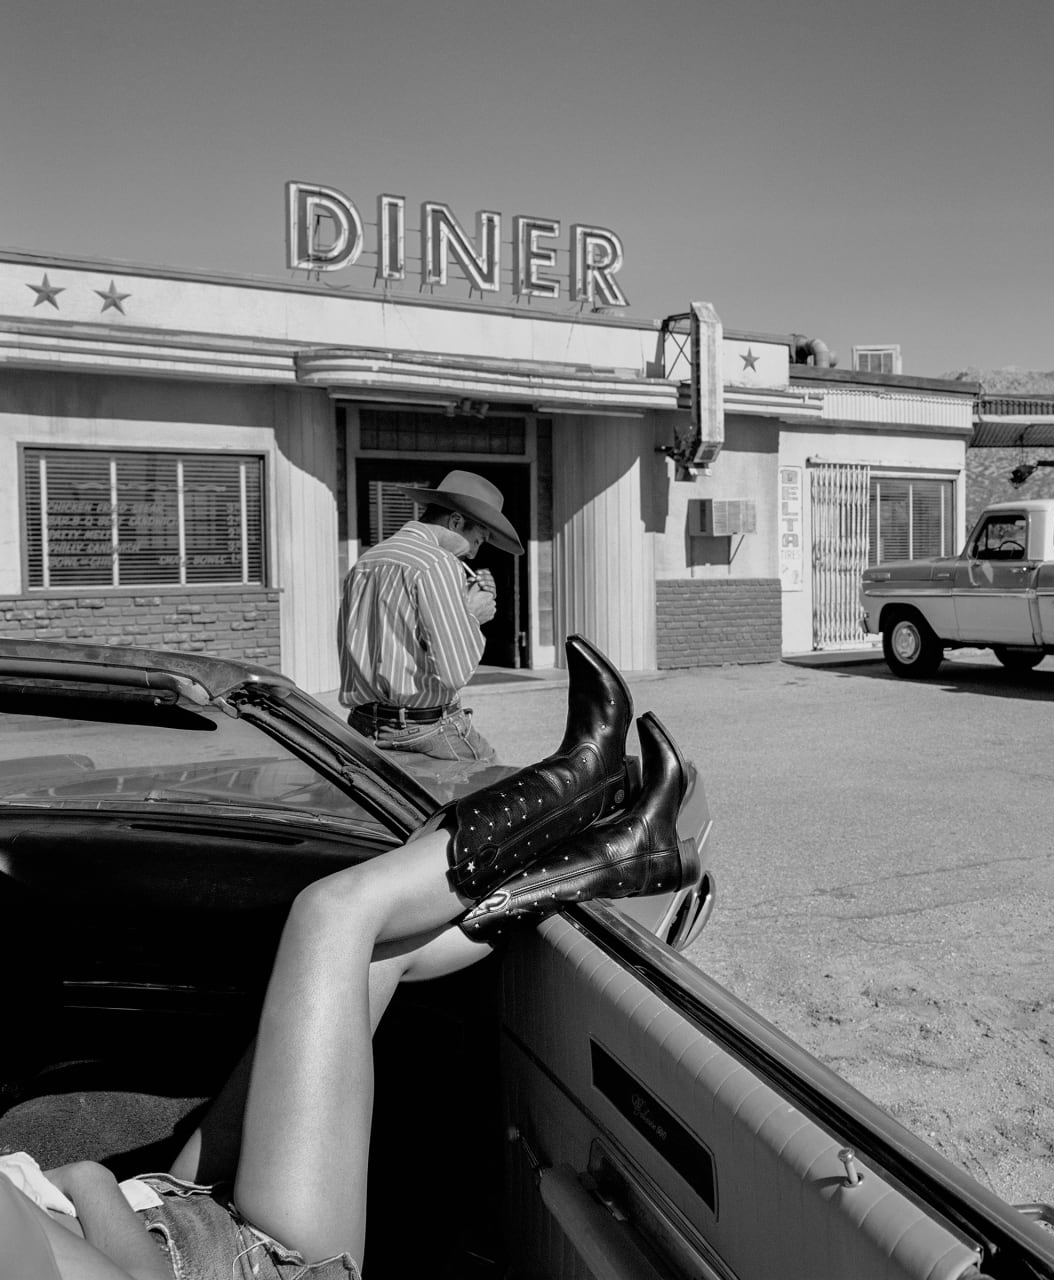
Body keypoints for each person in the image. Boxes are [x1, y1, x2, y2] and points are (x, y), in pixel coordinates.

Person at [1, 640, 699, 1280]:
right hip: (248, 1263)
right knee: (331, 916)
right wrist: (89, 1180)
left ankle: (621, 847)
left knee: (369, 959)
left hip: (164, 1214)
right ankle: (588, 790)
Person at [338, 470, 523, 777]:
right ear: (455, 521)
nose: (475, 552)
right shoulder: (439, 563)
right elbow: (455, 672)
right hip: (425, 728)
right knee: (497, 791)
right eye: (478, 540)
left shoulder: (367, 560)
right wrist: (471, 617)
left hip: (362, 726)